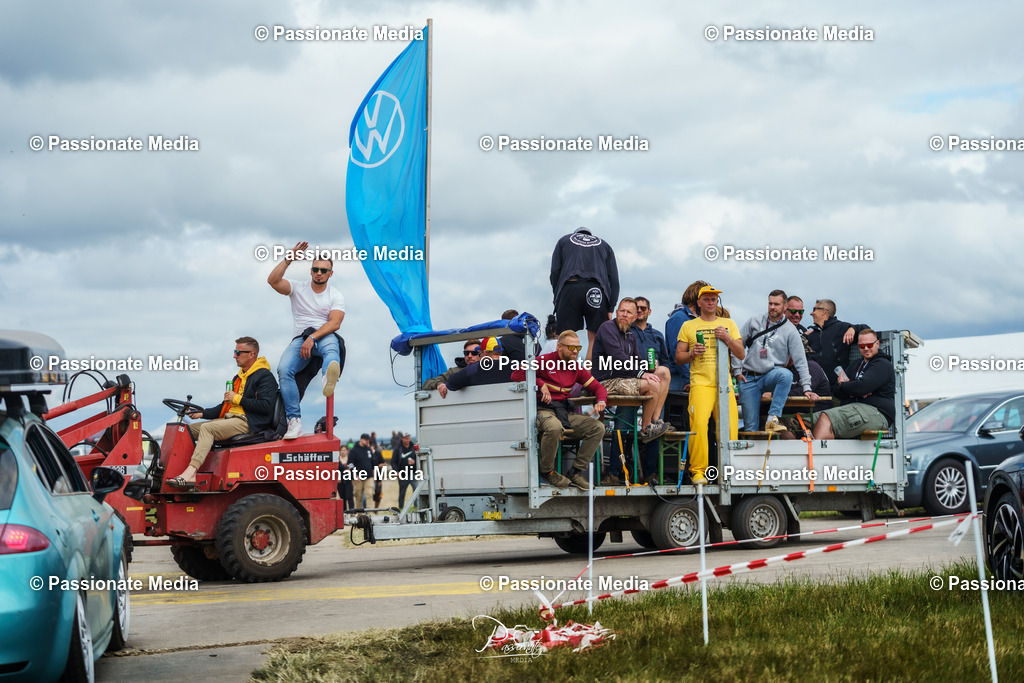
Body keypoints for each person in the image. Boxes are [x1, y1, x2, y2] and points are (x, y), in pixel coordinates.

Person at [166, 337, 278, 487]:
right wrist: (202, 413)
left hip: (247, 422)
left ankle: (191, 473)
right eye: (234, 352)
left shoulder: (264, 376)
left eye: (238, 352)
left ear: (252, 354)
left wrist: (237, 398)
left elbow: (266, 406)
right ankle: (169, 471)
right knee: (184, 430)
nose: (234, 356)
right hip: (229, 419)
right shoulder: (238, 377)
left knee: (208, 428)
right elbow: (225, 407)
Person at [268, 240, 345, 440]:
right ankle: (294, 421)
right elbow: (273, 281)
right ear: (310, 271)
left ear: (330, 274)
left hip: (323, 334)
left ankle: (328, 377)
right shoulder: (298, 287)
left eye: (324, 270)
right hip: (300, 339)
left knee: (331, 347)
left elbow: (335, 323)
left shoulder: (335, 295)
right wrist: (288, 259)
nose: (319, 273)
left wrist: (312, 337)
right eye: (316, 269)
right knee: (284, 369)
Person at [511, 330, 607, 489]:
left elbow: (598, 388)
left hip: (563, 412)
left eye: (578, 347)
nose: (575, 351)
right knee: (555, 428)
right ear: (559, 347)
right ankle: (547, 472)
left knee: (597, 427)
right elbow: (516, 374)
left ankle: (575, 472)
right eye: (571, 347)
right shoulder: (543, 361)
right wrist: (541, 384)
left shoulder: (576, 367)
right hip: (542, 410)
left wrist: (601, 401)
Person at [675, 286, 744, 485]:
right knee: (698, 426)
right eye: (706, 299)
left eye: (714, 299)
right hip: (701, 384)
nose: (711, 302)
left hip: (725, 384)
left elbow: (741, 354)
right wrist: (691, 354)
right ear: (699, 302)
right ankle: (698, 472)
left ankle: (728, 471)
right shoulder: (689, 326)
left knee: (730, 429)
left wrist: (728, 338)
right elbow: (678, 357)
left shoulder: (728, 323)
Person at [734, 290, 819, 432]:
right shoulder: (754, 320)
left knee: (785, 374)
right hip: (749, 376)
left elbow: (800, 361)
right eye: (770, 303)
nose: (772, 307)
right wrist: (737, 371)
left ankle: (772, 418)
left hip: (770, 375)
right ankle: (754, 452)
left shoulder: (791, 330)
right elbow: (737, 345)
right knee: (750, 428)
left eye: (776, 304)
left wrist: (807, 388)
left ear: (785, 306)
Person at [592, 298, 671, 443]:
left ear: (634, 317)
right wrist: (642, 373)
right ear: (616, 312)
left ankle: (655, 420)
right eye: (622, 311)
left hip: (624, 379)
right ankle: (646, 429)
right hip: (606, 381)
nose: (624, 314)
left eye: (629, 312)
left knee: (663, 372)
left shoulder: (630, 334)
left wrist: (650, 368)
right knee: (652, 384)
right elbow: (617, 357)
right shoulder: (607, 327)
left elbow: (637, 360)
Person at [550, 226, 619, 363]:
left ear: (575, 234)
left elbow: (555, 272)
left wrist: (558, 297)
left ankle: (566, 378)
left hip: (569, 286)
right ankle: (589, 378)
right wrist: (611, 307)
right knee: (595, 338)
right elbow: (614, 279)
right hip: (596, 290)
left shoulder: (564, 240)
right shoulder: (604, 245)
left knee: (566, 337)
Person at [811, 329, 895, 440]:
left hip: (877, 412)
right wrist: (853, 389)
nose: (866, 349)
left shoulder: (882, 364)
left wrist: (849, 387)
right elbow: (837, 390)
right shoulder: (856, 364)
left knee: (825, 418)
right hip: (854, 407)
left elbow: (862, 387)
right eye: (861, 346)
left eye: (869, 345)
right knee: (805, 421)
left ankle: (817, 455)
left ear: (877, 344)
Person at [805, 299, 864, 394]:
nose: (811, 313)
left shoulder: (842, 328)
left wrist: (853, 329)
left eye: (814, 309)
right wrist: (803, 337)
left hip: (836, 392)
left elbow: (868, 332)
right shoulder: (811, 334)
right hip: (814, 391)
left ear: (824, 311)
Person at [665, 281, 707, 391]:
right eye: (706, 299)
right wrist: (688, 380)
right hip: (679, 378)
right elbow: (676, 351)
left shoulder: (694, 318)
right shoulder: (679, 318)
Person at [444, 337, 514, 393]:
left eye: (479, 352)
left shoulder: (475, 368)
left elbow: (451, 384)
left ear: (485, 352)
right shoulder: (515, 365)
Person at [348, 433, 381, 508]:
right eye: (366, 440)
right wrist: (355, 474)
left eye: (368, 440)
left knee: (369, 495)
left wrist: (375, 475)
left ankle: (370, 513)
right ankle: (360, 514)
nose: (367, 442)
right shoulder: (354, 450)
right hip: (357, 478)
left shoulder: (368, 449)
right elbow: (350, 463)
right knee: (358, 496)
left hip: (369, 477)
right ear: (361, 440)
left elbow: (373, 462)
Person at [392, 432, 417, 509]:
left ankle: (417, 507)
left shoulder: (414, 448)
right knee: (402, 492)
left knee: (416, 491)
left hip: (413, 474)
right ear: (402, 439)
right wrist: (396, 471)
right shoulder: (398, 449)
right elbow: (393, 462)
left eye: (409, 438)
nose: (408, 440)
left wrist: (414, 462)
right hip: (403, 475)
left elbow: (419, 458)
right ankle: (401, 508)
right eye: (406, 438)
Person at [337, 444, 355, 511]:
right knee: (342, 497)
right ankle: (344, 512)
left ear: (347, 451)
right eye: (341, 450)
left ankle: (352, 511)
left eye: (344, 450)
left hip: (348, 480)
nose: (343, 451)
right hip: (340, 480)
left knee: (349, 496)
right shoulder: (337, 459)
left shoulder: (350, 459)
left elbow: (353, 467)